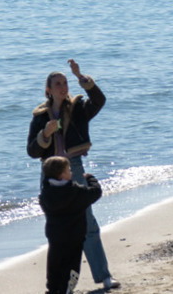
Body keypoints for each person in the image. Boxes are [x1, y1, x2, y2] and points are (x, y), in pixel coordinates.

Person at [27, 61, 119, 291]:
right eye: (58, 83)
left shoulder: (77, 108)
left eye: (65, 82)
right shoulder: (40, 115)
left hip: (74, 168)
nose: (63, 86)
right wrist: (44, 135)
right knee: (57, 229)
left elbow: (99, 101)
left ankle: (104, 276)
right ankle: (61, 284)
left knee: (87, 224)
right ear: (48, 89)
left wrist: (81, 78)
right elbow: (31, 151)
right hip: (49, 172)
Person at [39, 156, 103, 294]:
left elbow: (46, 193)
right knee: (71, 265)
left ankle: (53, 288)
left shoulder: (45, 194)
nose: (71, 173)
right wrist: (90, 178)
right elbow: (96, 192)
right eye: (68, 170)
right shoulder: (76, 192)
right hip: (74, 236)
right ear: (62, 175)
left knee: (54, 263)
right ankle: (65, 289)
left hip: (55, 236)